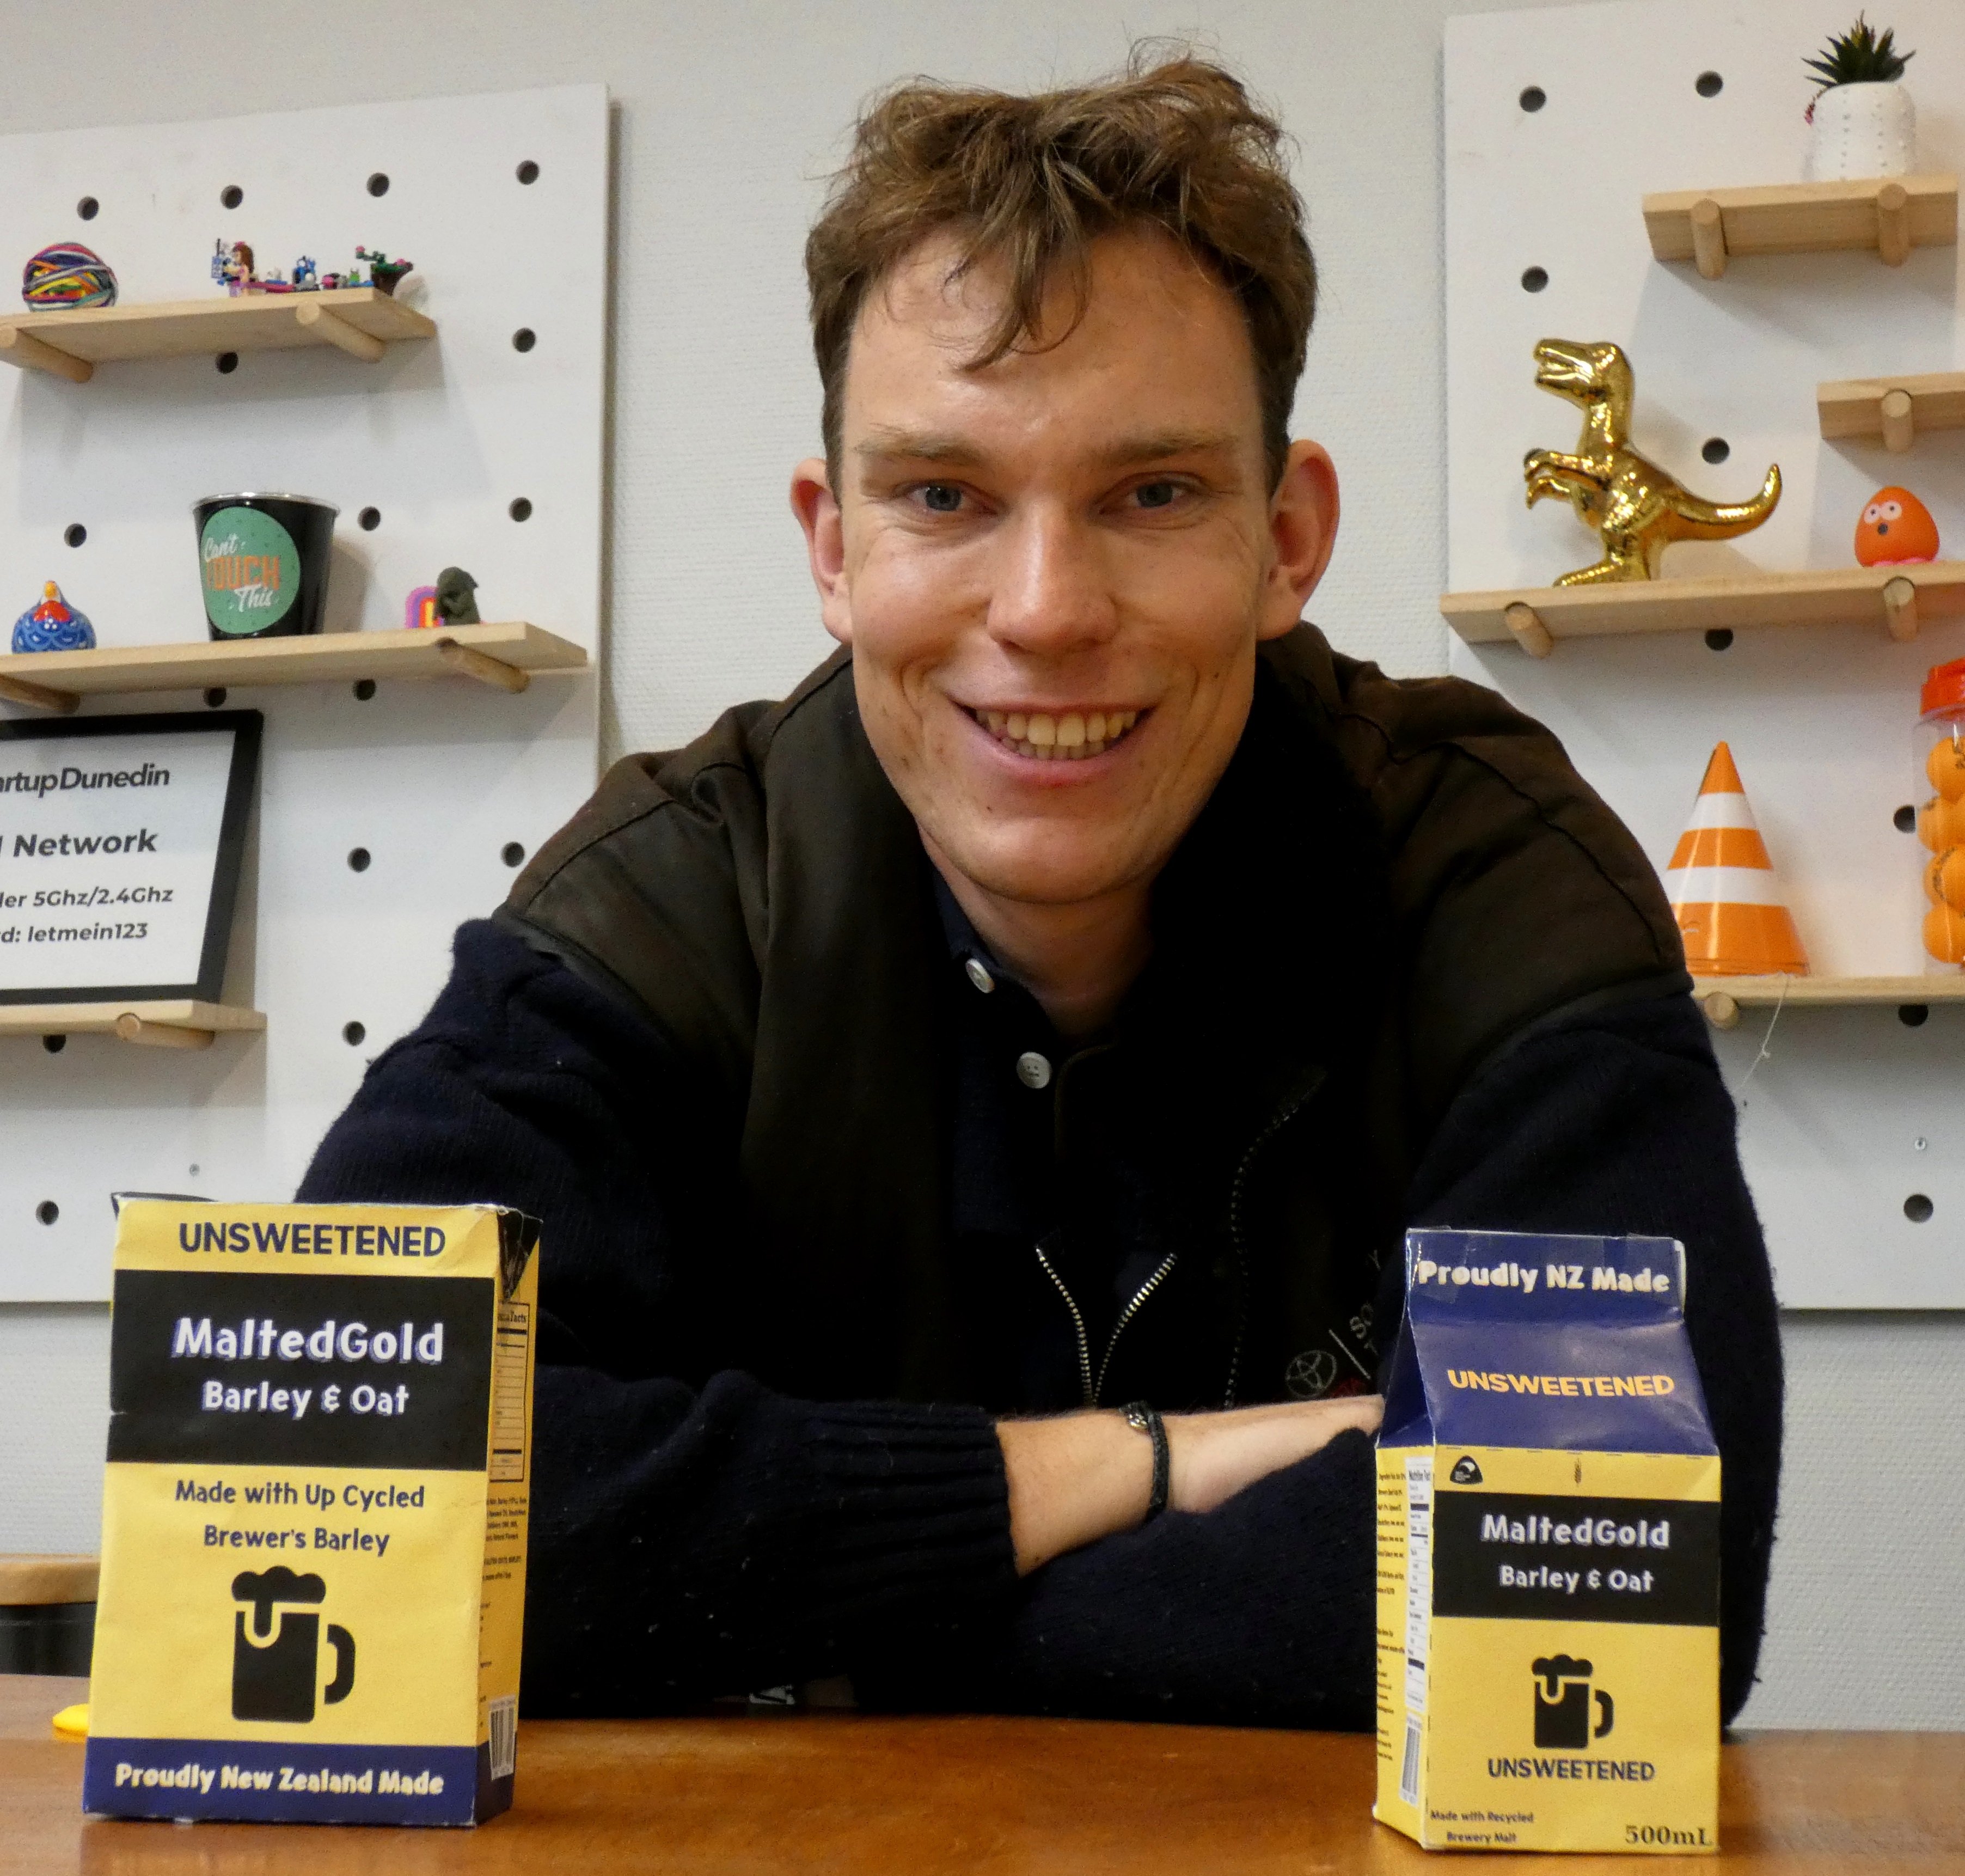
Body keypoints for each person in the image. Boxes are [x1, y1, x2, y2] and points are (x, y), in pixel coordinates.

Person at [299, 51, 1782, 1727]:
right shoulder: (662, 906)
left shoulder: (1489, 873)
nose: (1046, 607)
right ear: (833, 548)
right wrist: (1135, 1467)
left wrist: (821, 1621)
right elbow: (313, 1492)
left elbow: (1625, 1588)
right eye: (943, 496)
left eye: (1151, 494)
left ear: (1287, 541)